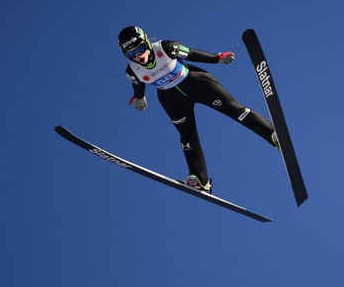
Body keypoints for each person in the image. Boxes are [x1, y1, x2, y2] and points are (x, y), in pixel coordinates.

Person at [118, 26, 279, 194]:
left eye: (141, 49)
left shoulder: (166, 48)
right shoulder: (132, 70)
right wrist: (139, 96)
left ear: (147, 44)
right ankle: (199, 179)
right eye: (132, 54)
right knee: (187, 136)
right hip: (170, 99)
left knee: (234, 110)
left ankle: (273, 135)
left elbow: (192, 53)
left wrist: (217, 58)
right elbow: (137, 84)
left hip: (197, 83)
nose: (139, 56)